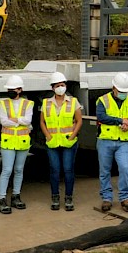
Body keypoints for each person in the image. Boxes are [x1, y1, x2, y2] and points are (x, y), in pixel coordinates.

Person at [96, 72, 128, 213]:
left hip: (123, 141)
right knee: (105, 171)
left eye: (125, 91)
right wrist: (121, 121)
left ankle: (125, 198)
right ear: (114, 87)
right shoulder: (102, 100)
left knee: (124, 169)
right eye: (121, 91)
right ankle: (107, 198)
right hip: (105, 140)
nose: (123, 94)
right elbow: (101, 117)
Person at [41, 72, 83, 211]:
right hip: (52, 142)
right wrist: (48, 136)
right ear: (53, 88)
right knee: (54, 170)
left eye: (62, 85)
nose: (61, 87)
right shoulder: (46, 103)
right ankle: (55, 197)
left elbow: (79, 120)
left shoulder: (73, 101)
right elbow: (42, 122)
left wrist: (72, 136)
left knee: (68, 170)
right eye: (58, 85)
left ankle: (69, 198)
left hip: (68, 142)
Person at [0, 76, 34, 214]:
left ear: (20, 90)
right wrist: (21, 121)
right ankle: (1, 199)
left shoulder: (28, 104)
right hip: (8, 141)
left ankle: (16, 197)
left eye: (13, 89)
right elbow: (4, 121)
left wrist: (15, 120)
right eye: (9, 89)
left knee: (19, 170)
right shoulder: (3, 103)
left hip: (23, 142)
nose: (11, 91)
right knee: (6, 170)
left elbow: (28, 119)